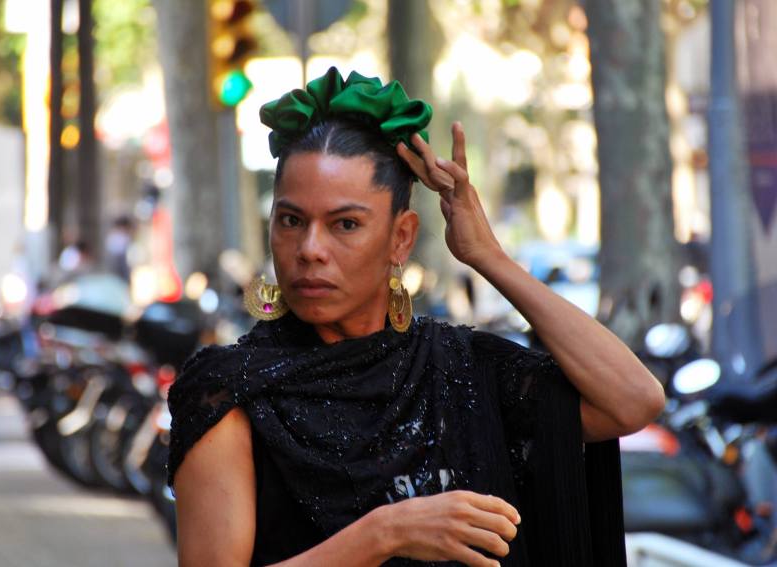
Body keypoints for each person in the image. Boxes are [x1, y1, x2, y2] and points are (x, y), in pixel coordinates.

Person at [166, 66, 665, 566]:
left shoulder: (459, 369)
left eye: (345, 224)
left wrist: (488, 256)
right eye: (292, 220)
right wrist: (385, 533)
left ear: (401, 237)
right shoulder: (231, 391)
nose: (310, 249)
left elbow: (632, 400)